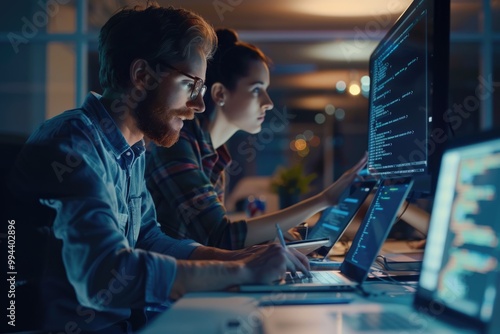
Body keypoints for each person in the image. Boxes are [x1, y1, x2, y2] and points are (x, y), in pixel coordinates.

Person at [7, 5, 311, 333]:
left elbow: (148, 237)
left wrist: (237, 259)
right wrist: (241, 273)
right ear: (142, 76)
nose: (198, 106)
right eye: (190, 85)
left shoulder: (131, 149)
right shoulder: (72, 143)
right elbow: (105, 273)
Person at [145, 28, 368, 250]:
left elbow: (212, 238)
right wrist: (325, 198)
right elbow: (221, 236)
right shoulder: (177, 143)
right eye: (256, 89)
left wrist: (267, 238)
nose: (268, 102)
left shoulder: (214, 155)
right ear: (220, 94)